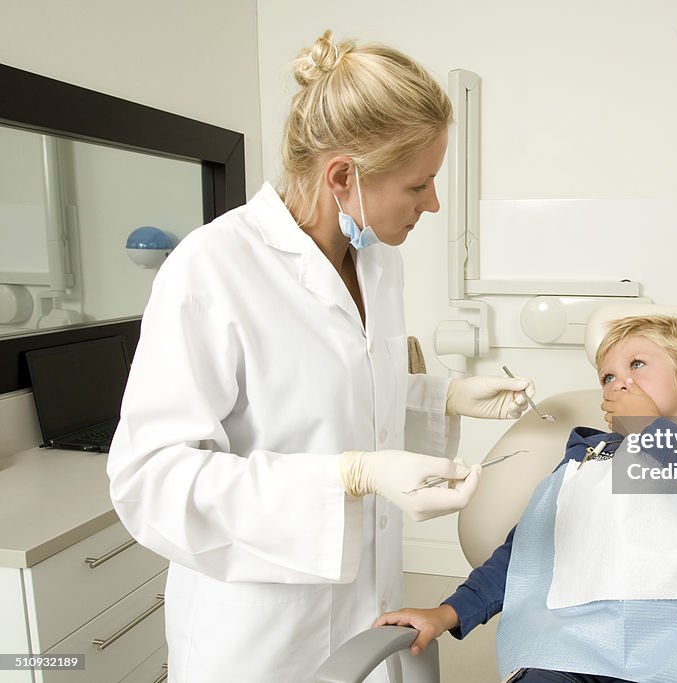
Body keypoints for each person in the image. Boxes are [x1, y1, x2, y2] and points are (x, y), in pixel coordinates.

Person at [107, 31, 534, 683]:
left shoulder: (379, 261)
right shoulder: (214, 268)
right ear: (342, 176)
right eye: (419, 185)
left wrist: (439, 394)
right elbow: (150, 480)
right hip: (262, 635)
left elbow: (350, 396)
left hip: (371, 610)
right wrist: (348, 476)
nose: (434, 204)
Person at [375, 315, 677, 683]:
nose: (618, 383)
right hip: (569, 652)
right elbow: (529, 553)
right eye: (608, 377)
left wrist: (648, 428)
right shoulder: (585, 460)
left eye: (637, 364)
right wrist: (447, 613)